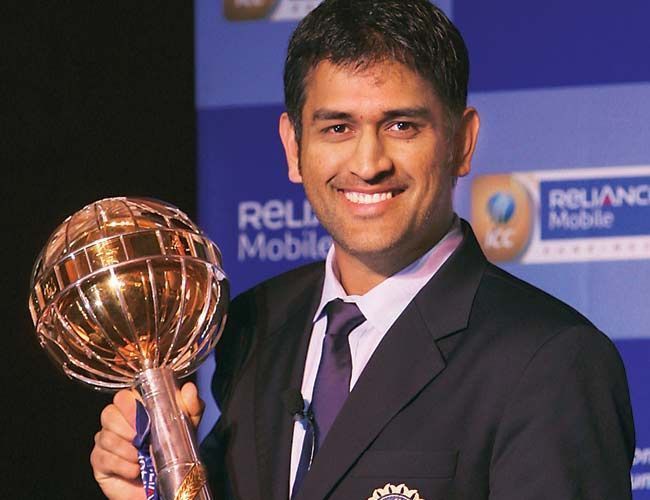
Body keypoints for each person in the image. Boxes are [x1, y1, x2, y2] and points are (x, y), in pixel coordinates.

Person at [90, 0, 635, 499]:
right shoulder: (253, 325)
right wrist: (154, 485)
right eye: (337, 127)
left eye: (401, 125)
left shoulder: (553, 362)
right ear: (293, 147)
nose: (368, 162)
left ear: (462, 143)